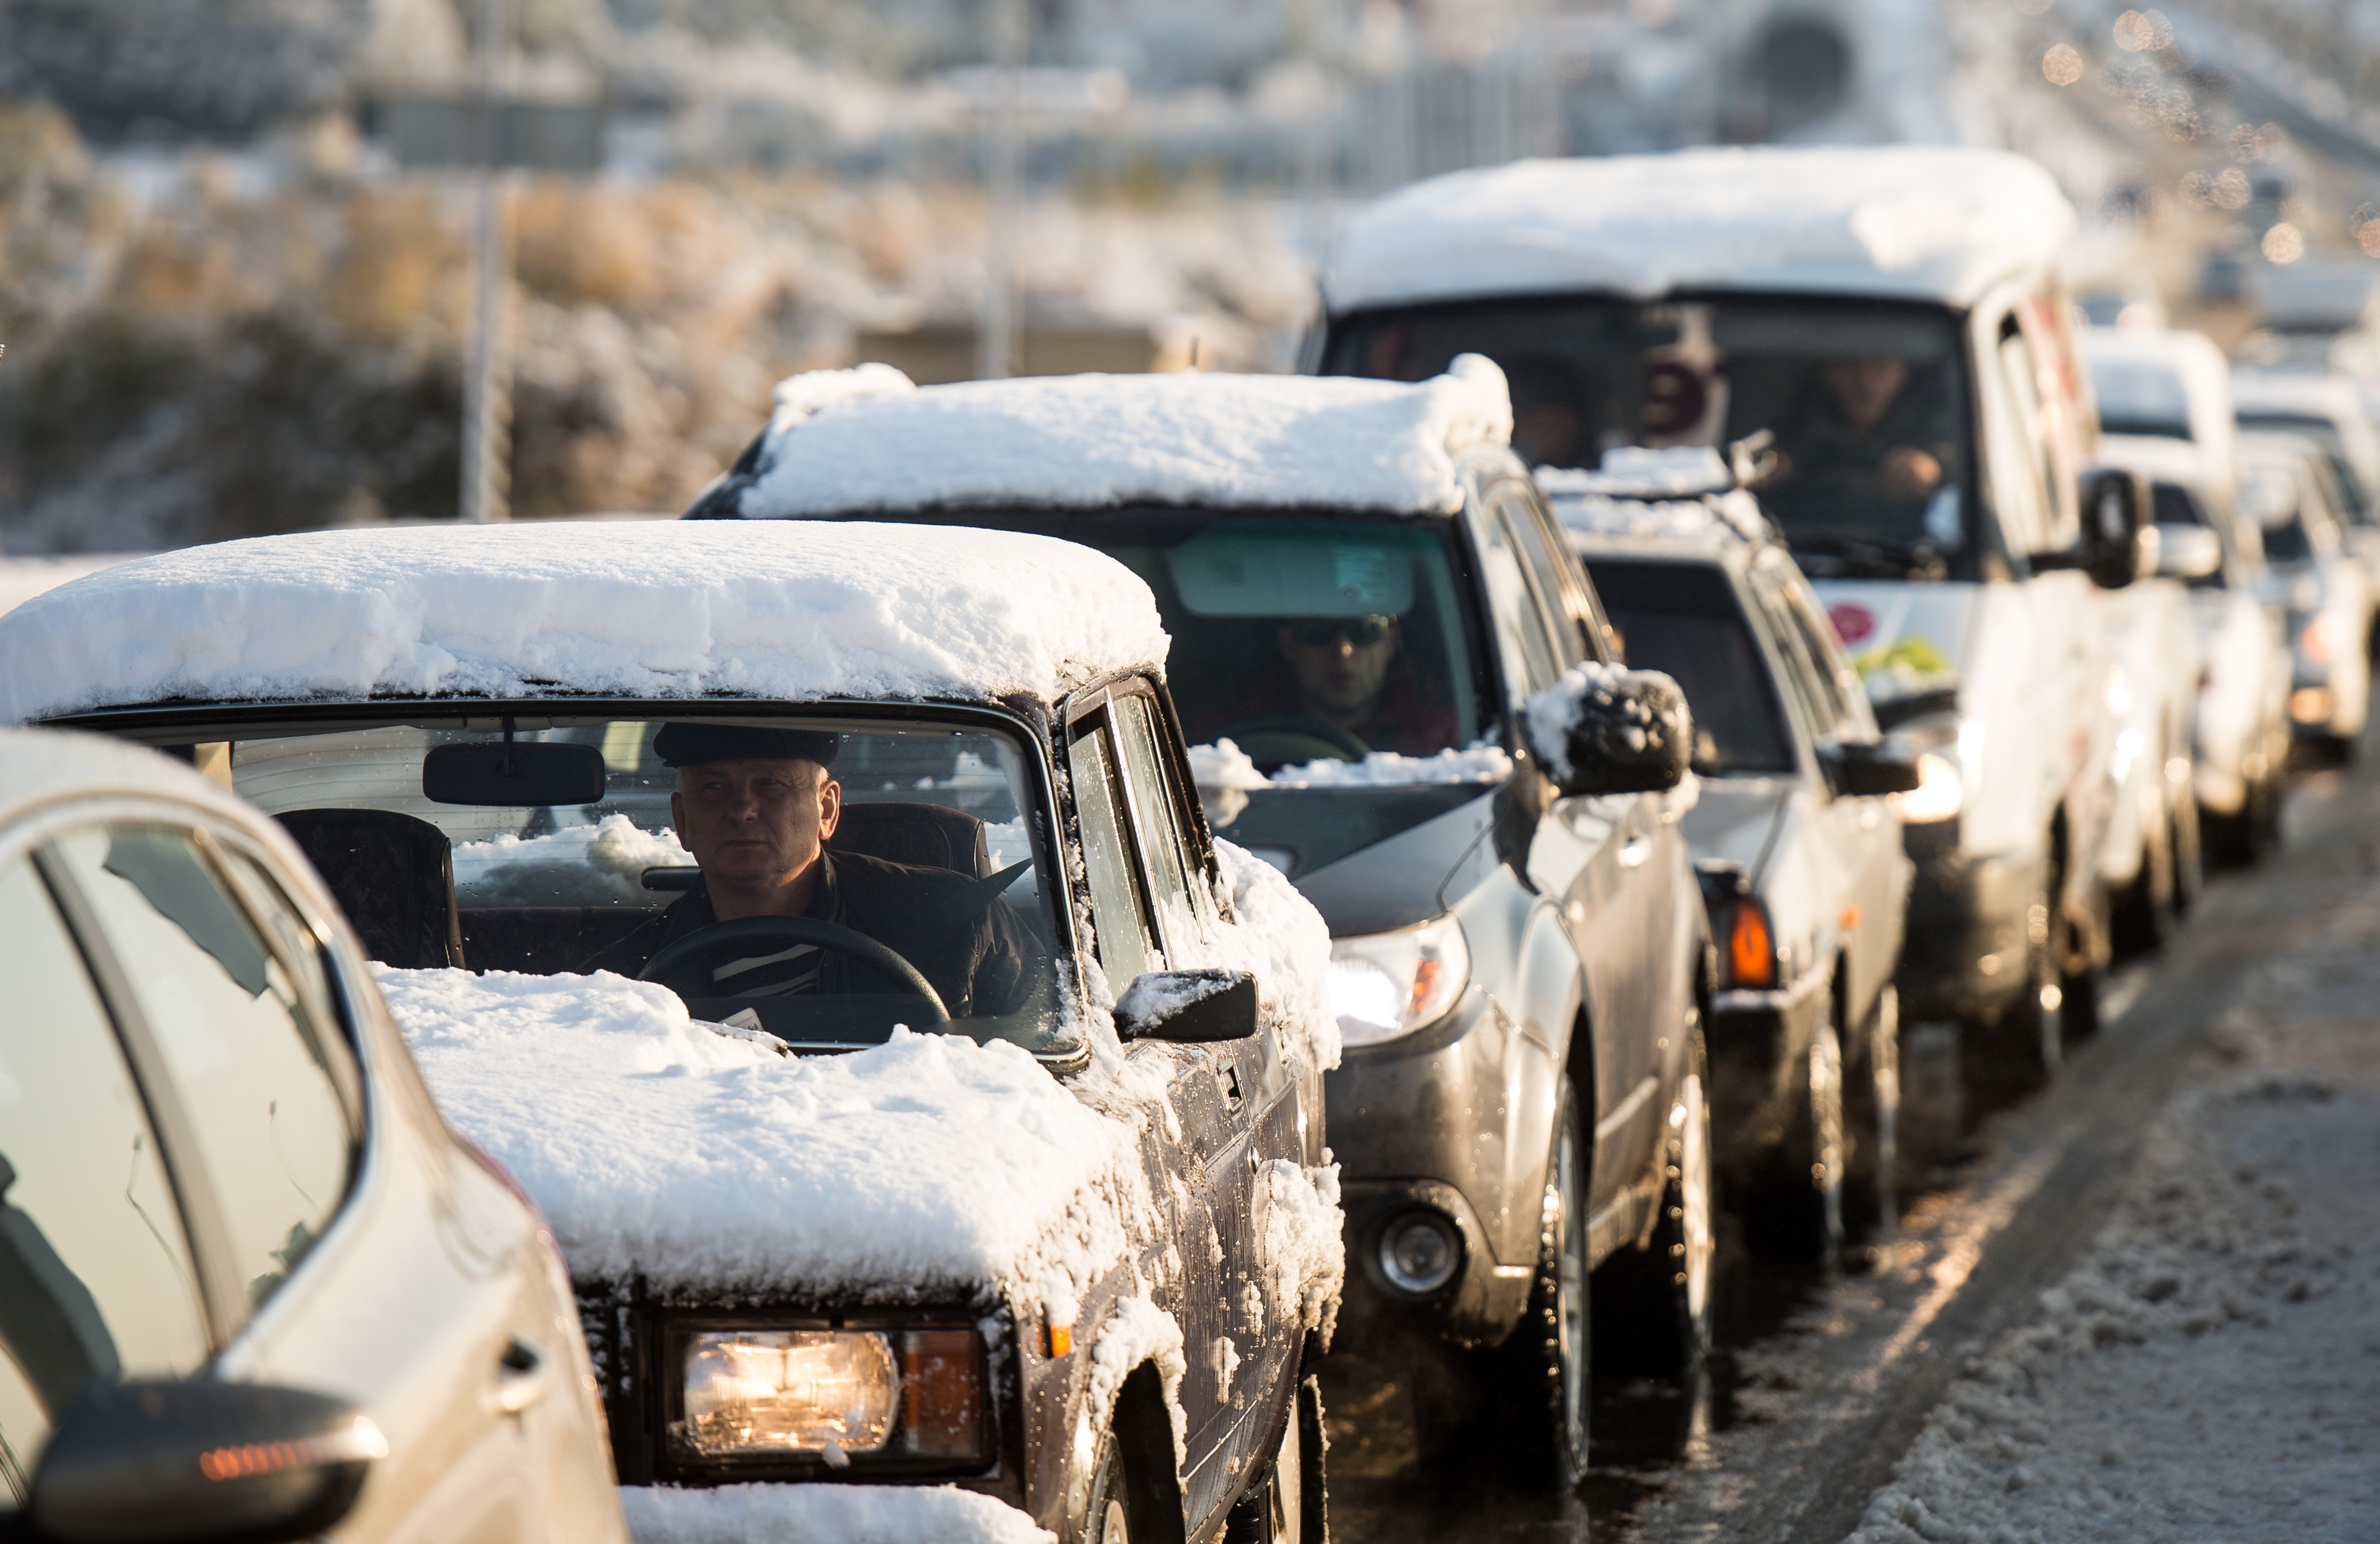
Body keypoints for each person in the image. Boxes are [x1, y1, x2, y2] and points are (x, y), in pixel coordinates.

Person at [584, 723, 1035, 1018]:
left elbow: (1054, 1054)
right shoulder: (622, 983)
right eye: (714, 787)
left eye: (771, 784)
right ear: (682, 822)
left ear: (826, 809)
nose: (741, 809)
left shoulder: (953, 918)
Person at [1198, 614, 1457, 758]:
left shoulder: (1443, 740)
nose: (1343, 651)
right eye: (1318, 630)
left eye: (1365, 630)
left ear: (1390, 643)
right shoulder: (1223, 743)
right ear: (1288, 644)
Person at [1772, 355, 1954, 506]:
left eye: (1880, 366)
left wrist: (1932, 468)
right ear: (1826, 373)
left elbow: (1958, 465)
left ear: (1904, 372)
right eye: (1848, 366)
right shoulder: (1799, 426)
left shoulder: (1940, 425)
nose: (1864, 381)